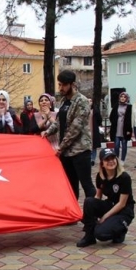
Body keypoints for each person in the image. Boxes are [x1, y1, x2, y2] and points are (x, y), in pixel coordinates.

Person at [42, 70, 94, 199]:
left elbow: (75, 128)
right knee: (71, 185)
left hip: (80, 151)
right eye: (59, 85)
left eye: (64, 85)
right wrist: (47, 132)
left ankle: (91, 215)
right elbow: (59, 123)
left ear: (72, 84)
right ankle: (73, 214)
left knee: (86, 184)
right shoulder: (64, 101)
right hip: (66, 153)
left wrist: (61, 146)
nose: (61, 88)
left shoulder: (81, 101)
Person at [77, 148, 135, 248]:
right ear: (102, 164)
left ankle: (120, 231)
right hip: (110, 205)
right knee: (89, 201)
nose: (111, 161)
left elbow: (122, 204)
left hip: (123, 211)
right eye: (107, 159)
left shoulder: (124, 177)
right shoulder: (100, 177)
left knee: (101, 234)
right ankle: (89, 236)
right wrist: (90, 215)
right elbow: (98, 196)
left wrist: (104, 217)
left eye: (113, 158)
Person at [109, 92, 132, 163]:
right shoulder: (116, 106)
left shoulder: (129, 107)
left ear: (127, 98)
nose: (122, 98)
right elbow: (111, 116)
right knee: (116, 145)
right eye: (121, 97)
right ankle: (116, 159)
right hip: (117, 127)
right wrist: (114, 122)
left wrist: (129, 129)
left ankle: (122, 160)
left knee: (124, 145)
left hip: (125, 128)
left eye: (124, 97)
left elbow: (130, 118)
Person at [90, 98, 103, 166]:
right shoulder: (84, 110)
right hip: (86, 130)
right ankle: (89, 158)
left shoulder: (95, 110)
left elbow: (99, 119)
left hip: (94, 130)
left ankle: (93, 159)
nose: (89, 102)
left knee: (94, 146)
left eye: (90, 101)